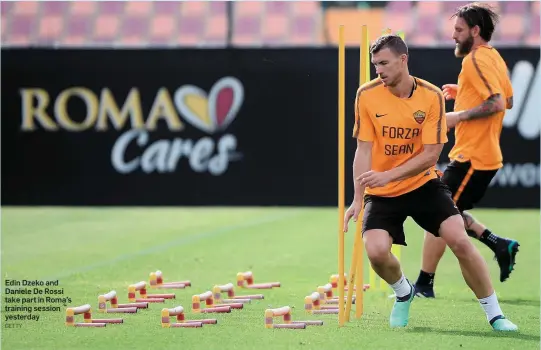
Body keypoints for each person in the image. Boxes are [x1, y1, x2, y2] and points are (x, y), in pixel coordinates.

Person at [343, 33, 517, 331]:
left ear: (403, 60)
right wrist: (358, 197)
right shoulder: (366, 94)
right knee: (376, 252)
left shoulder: (432, 95)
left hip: (423, 184)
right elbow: (364, 149)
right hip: (381, 192)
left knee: (459, 239)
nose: (379, 70)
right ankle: (404, 292)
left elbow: (430, 156)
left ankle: (495, 314)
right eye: (375, 65)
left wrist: (387, 175)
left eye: (384, 63)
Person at [413, 2, 520, 299]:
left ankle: (424, 284)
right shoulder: (493, 57)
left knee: (439, 214)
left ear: (475, 31)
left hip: (473, 157)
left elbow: (497, 103)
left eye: (459, 30)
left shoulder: (475, 60)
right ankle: (499, 244)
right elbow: (507, 101)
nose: (453, 36)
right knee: (450, 213)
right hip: (478, 156)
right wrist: (465, 95)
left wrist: (456, 116)